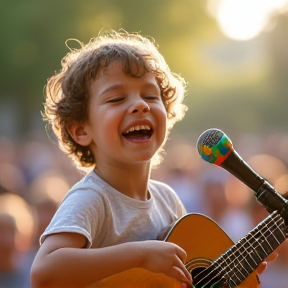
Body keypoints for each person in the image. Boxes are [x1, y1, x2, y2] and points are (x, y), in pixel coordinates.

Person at [30, 29, 275, 288]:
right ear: (81, 130)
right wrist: (141, 255)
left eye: (150, 96)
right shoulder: (93, 198)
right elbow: (44, 273)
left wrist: (231, 272)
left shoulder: (167, 200)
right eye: (116, 98)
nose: (140, 105)